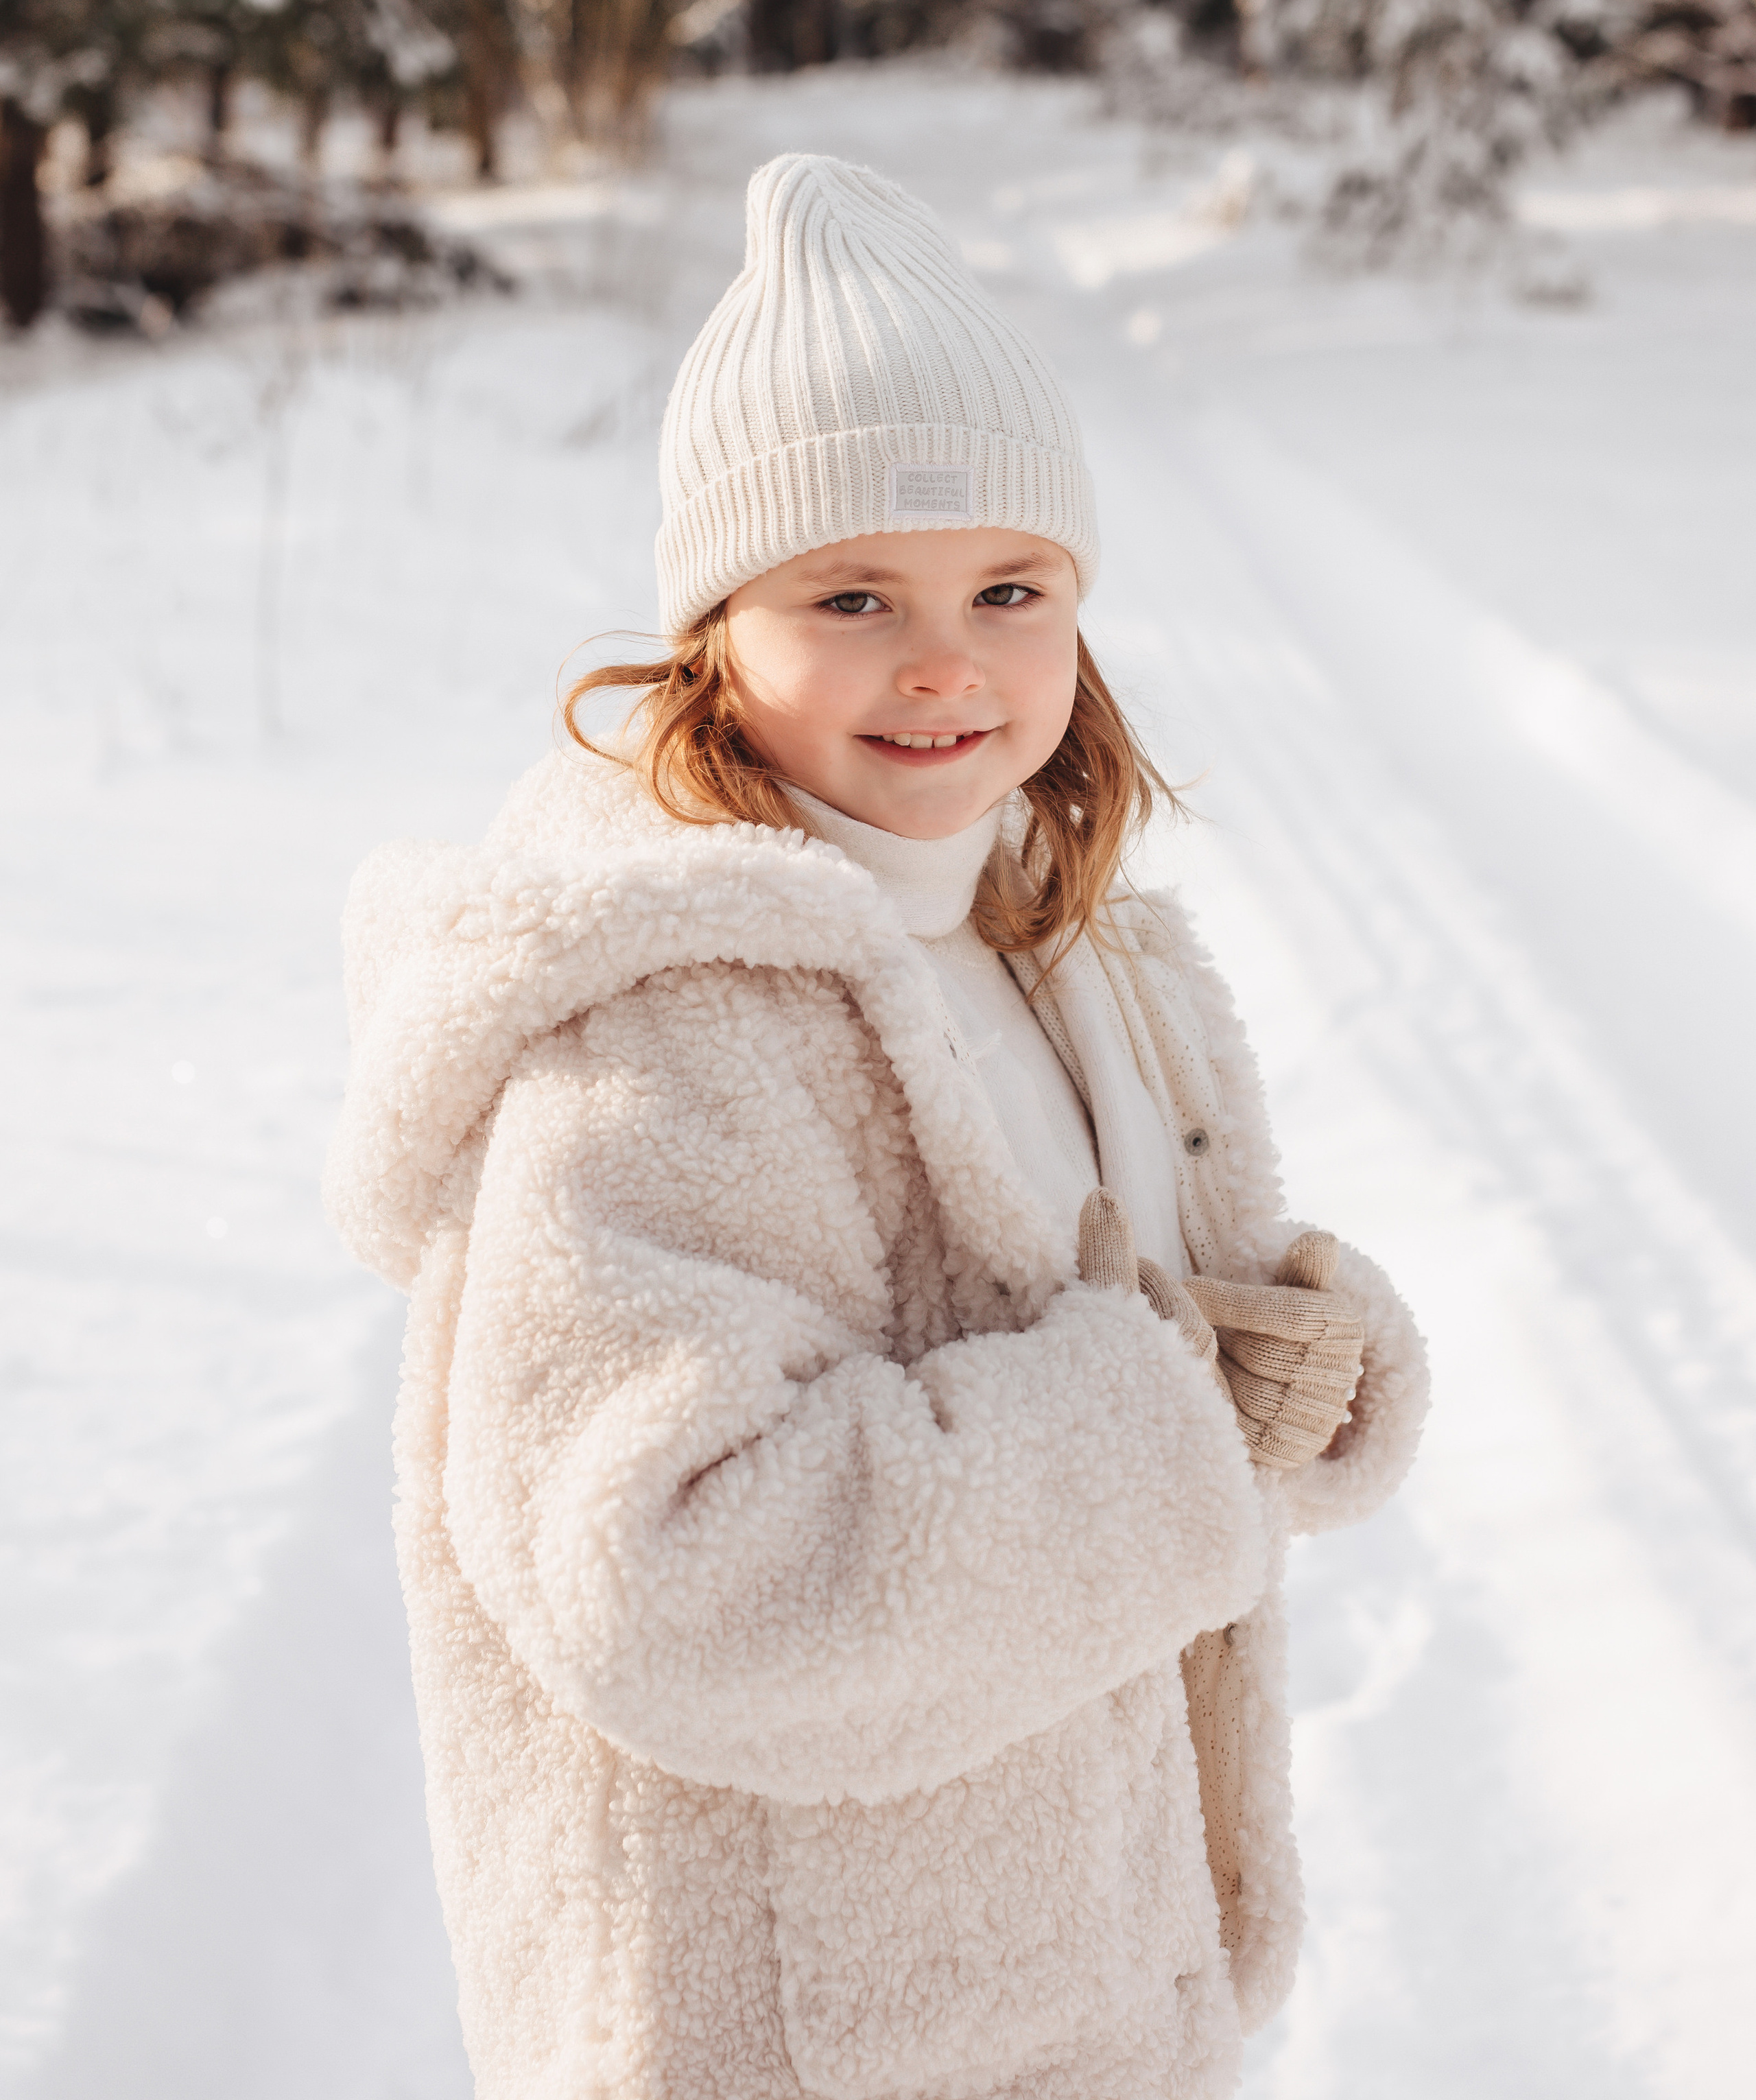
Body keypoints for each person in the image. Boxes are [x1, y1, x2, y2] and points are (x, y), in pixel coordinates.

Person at [326, 152, 1427, 2100]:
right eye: (853, 595)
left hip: (1096, 1959)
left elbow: (1165, 1336)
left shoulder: (1091, 952)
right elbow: (667, 1564)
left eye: (1012, 591)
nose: (947, 663)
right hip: (812, 2034)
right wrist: (1172, 1427)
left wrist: (1295, 1369)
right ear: (713, 635)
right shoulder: (669, 1029)